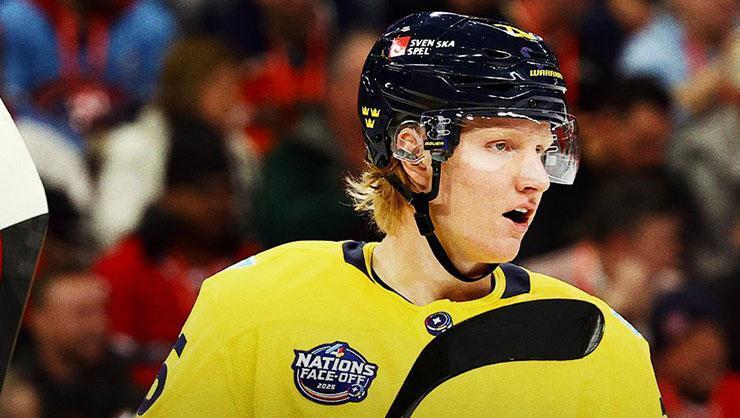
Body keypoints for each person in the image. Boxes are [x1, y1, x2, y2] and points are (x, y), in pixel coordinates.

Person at [138, 12, 664, 416]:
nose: (537, 178)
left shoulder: (600, 345)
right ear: (413, 153)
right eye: (502, 145)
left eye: (543, 150)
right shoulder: (252, 305)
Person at [10, 261, 140, 417]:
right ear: (39, 320)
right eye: (82, 313)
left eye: (102, 310)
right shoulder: (14, 388)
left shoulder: (115, 371)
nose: (99, 325)